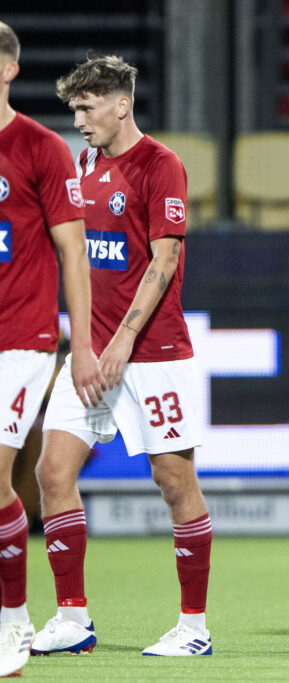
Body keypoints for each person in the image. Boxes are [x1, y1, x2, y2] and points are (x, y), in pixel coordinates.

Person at [31, 55, 213, 657]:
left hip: (153, 352)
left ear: (121, 104)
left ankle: (193, 629)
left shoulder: (162, 165)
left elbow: (164, 262)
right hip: (92, 354)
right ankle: (72, 618)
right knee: (52, 471)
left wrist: (122, 340)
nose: (78, 120)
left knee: (173, 479)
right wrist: (81, 340)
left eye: (87, 108)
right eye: (74, 109)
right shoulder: (82, 165)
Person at [0, 22, 103, 677]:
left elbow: (73, 251)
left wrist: (83, 342)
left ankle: (13, 622)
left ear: (8, 67)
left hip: (23, 338)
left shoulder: (40, 147)